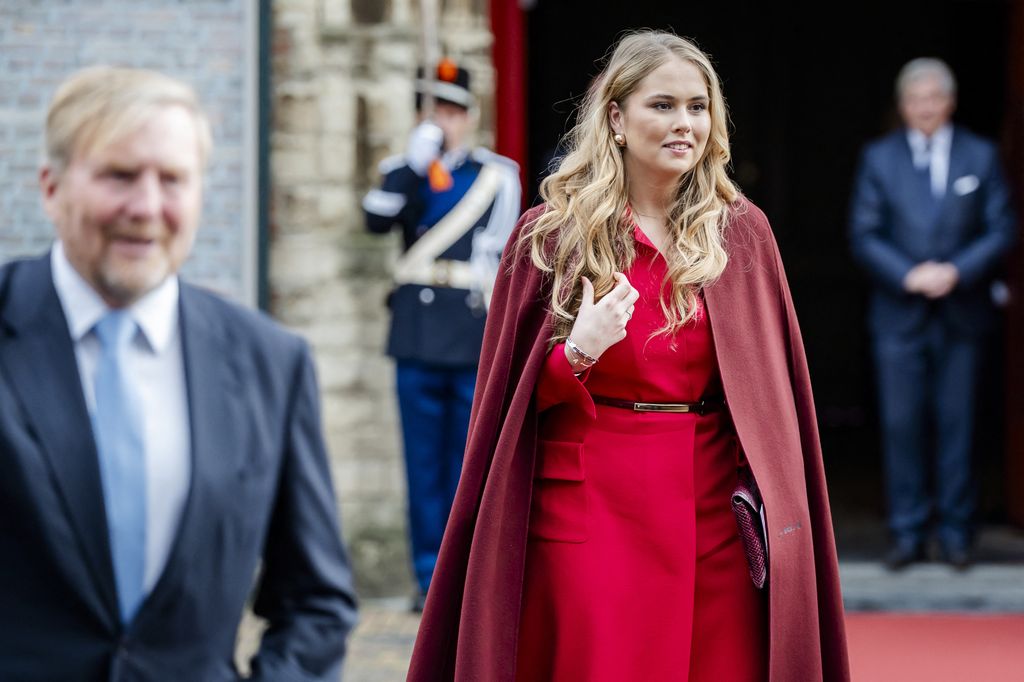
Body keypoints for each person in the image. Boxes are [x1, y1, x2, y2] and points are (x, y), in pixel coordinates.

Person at [407, 29, 849, 682]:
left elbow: (774, 400)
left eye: (697, 107)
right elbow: (505, 411)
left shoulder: (741, 232)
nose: (684, 123)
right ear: (616, 118)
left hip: (716, 521)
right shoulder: (552, 237)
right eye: (662, 105)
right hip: (592, 515)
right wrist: (577, 351)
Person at [0, 66, 357, 680]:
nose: (146, 206)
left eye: (172, 179)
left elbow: (316, 605)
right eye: (119, 175)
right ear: (51, 188)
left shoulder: (271, 363)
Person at [362, 58, 521, 611]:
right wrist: (413, 162)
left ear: (470, 116)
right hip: (417, 333)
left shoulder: (497, 175)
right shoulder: (402, 170)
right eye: (435, 109)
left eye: (454, 110)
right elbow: (375, 222)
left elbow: (504, 252)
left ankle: (464, 575)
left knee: (467, 460)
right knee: (422, 462)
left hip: (471, 328)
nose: (445, 120)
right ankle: (427, 576)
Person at [848, 58, 1017, 571]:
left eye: (934, 98)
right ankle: (907, 533)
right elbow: (863, 232)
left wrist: (956, 272)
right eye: (915, 99)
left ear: (950, 101)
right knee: (901, 426)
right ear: (902, 105)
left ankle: (957, 534)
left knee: (958, 425)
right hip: (898, 315)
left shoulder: (980, 155)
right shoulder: (878, 158)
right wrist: (909, 274)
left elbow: (1001, 228)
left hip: (961, 313)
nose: (925, 107)